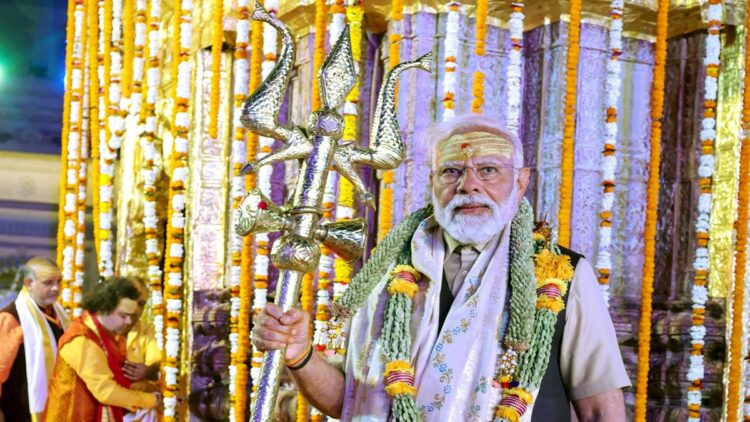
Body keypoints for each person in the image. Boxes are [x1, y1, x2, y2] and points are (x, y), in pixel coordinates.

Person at [252, 114, 631, 421]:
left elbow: (600, 409)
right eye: (451, 171)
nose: (469, 185)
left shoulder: (563, 275)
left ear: (521, 181)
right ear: (432, 183)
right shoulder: (385, 271)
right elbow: (348, 404)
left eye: (488, 170)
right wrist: (300, 355)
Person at [44, 277, 160, 422]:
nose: (129, 321)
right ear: (104, 307)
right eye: (123, 316)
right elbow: (106, 391)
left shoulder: (106, 335)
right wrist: (152, 400)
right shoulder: (82, 340)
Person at [0, 257, 69, 422]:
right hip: (19, 411)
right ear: (28, 283)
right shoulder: (11, 317)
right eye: (48, 283)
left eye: (58, 281)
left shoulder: (59, 315)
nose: (56, 288)